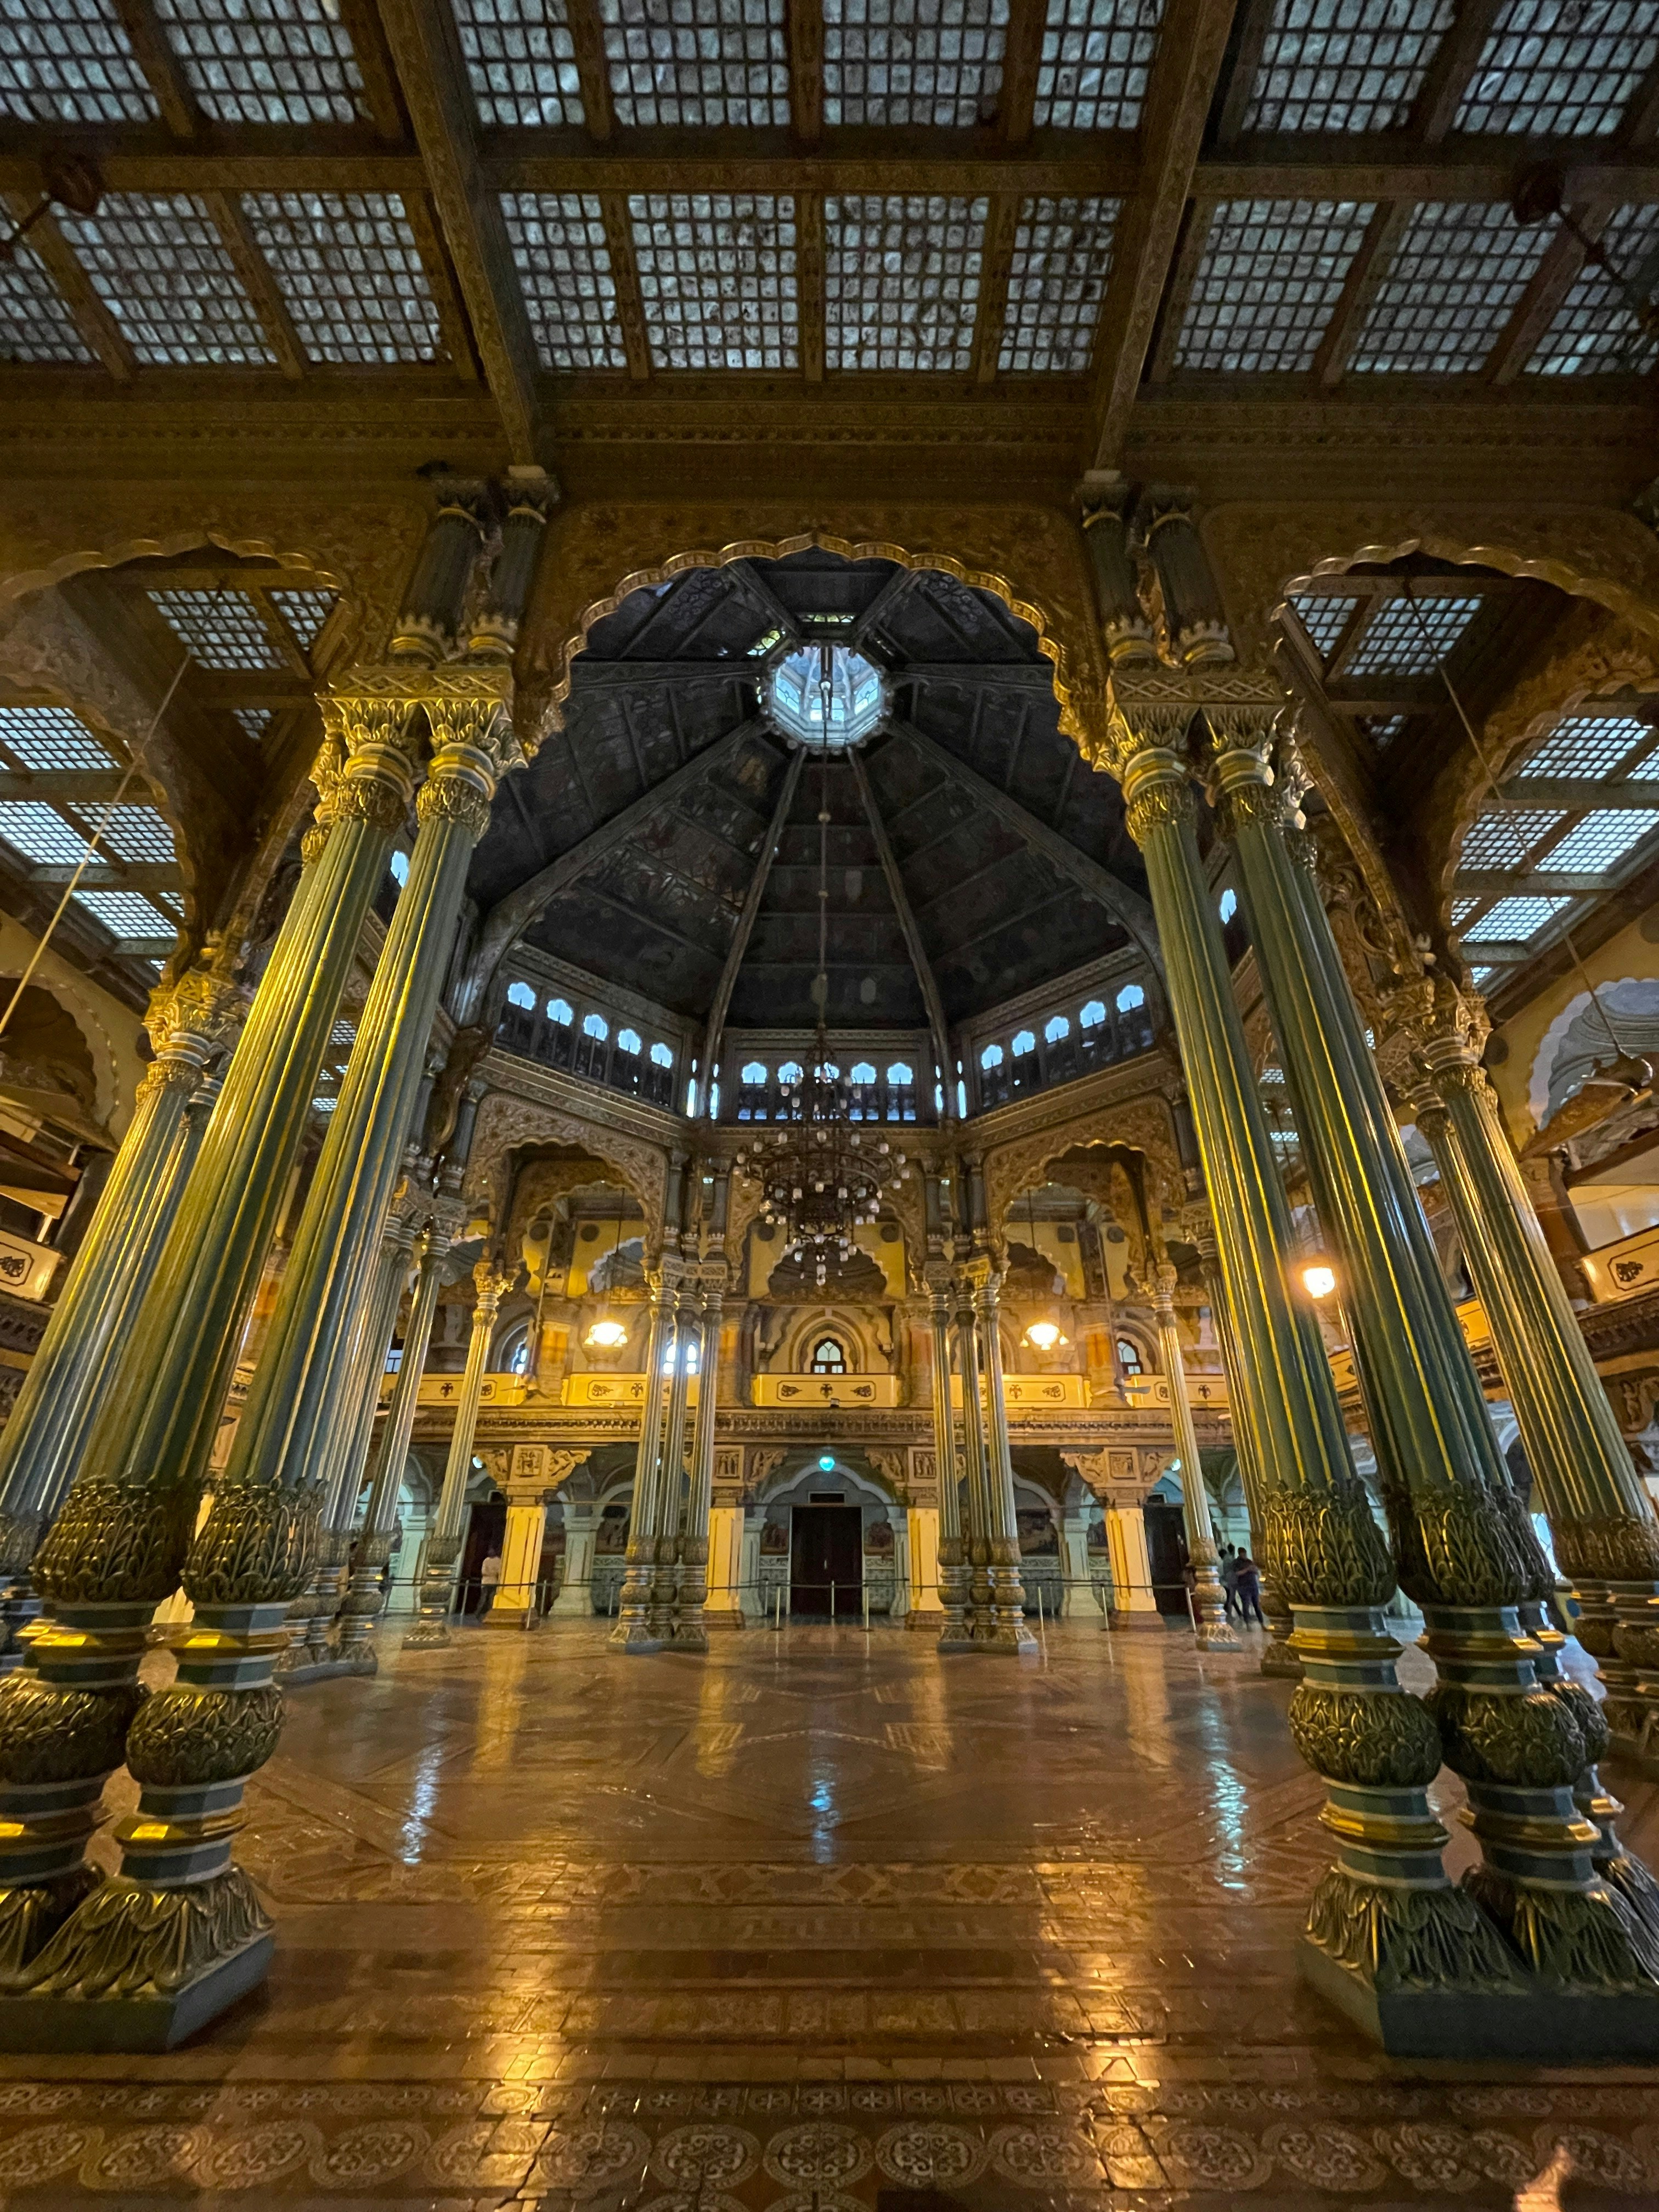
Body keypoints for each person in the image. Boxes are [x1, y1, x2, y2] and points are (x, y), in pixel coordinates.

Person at [1234, 1545, 1265, 1627]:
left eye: (1245, 1554)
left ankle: (1262, 1623)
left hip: (1253, 1585)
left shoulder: (1249, 1561)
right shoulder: (1237, 1563)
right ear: (1240, 1554)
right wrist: (1247, 1570)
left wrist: (1253, 1569)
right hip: (1243, 1587)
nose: (1244, 1556)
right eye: (1243, 1554)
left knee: (1257, 1605)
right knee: (1246, 1605)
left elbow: (1256, 1572)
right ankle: (1247, 1623)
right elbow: (1237, 1573)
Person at [479, 1548, 502, 1617]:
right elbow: (484, 1572)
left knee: (491, 1599)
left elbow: (499, 1572)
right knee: (484, 1598)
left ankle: (490, 1613)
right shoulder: (486, 1560)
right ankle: (478, 1613)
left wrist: (490, 1571)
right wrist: (493, 1572)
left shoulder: (498, 1560)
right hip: (486, 1582)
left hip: (493, 1583)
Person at [1220, 1543, 1240, 1620]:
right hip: (1230, 1580)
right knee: (1231, 1598)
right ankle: (1229, 1615)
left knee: (1232, 1598)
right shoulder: (1229, 1558)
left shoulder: (1227, 1558)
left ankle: (1238, 1613)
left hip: (1228, 1580)